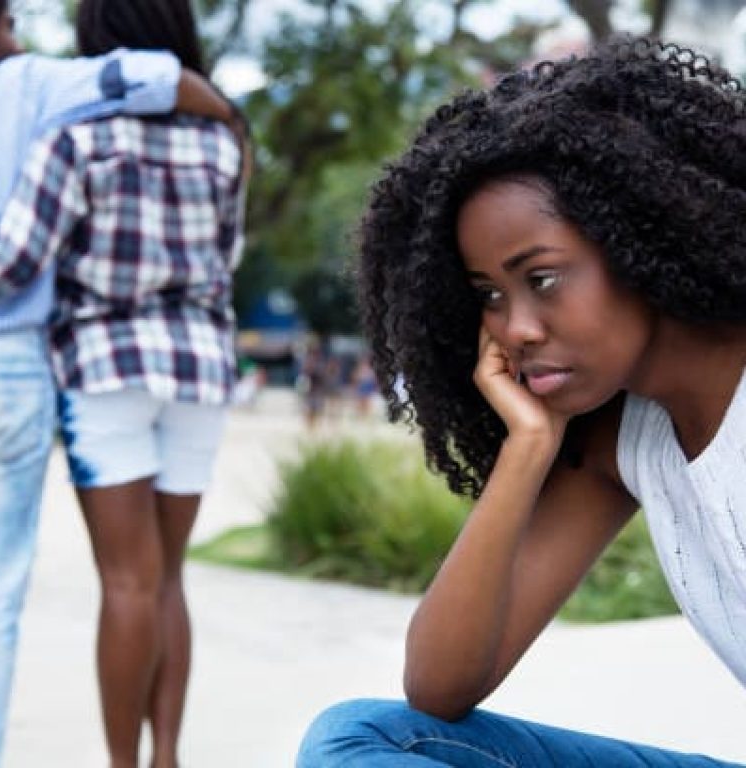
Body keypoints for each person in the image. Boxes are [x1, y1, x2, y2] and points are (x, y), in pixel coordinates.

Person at [297, 36, 746, 766]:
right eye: (488, 296)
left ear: (640, 240)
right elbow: (439, 685)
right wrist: (529, 447)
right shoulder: (618, 442)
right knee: (367, 737)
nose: (517, 329)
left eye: (540, 278)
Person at [0, 0, 249, 764]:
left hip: (105, 370)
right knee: (168, 582)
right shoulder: (224, 143)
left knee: (127, 582)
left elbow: (20, 259)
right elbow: (227, 261)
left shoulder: (77, 136)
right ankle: (167, 756)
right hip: (200, 367)